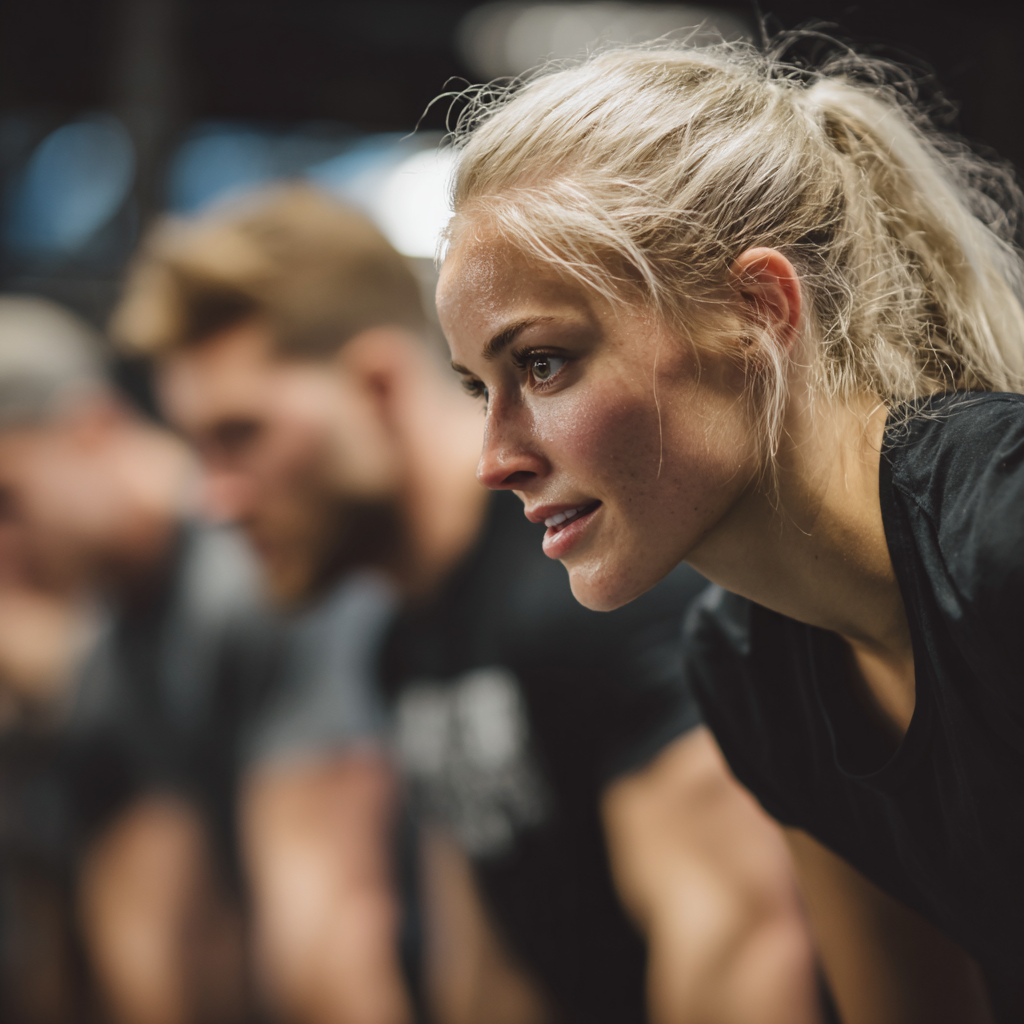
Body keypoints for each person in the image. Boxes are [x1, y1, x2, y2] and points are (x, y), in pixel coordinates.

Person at [113, 183, 822, 1024]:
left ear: (377, 386)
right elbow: (488, 975)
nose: (216, 499)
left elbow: (737, 942)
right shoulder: (408, 645)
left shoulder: (591, 584)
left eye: (241, 435)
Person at [436, 35, 1024, 1024]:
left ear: (756, 309)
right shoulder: (742, 659)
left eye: (540, 364)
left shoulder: (1000, 531)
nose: (493, 459)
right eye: (478, 388)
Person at [0, 295, 399, 1024]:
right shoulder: (115, 651)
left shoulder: (258, 572)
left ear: (93, 430)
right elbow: (164, 943)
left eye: (8, 501)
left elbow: (336, 937)